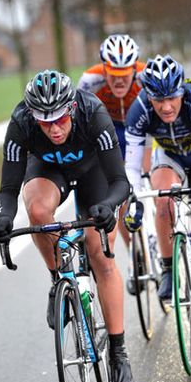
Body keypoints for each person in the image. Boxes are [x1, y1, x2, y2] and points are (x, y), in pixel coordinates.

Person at [0, 69, 134, 382]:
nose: (53, 128)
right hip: (49, 171)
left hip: (94, 171)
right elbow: (9, 189)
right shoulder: (21, 123)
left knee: (101, 256)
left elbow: (121, 183)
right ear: (32, 116)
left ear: (71, 109)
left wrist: (109, 206)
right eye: (44, 121)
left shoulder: (93, 113)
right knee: (37, 212)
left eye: (59, 119)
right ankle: (58, 279)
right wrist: (4, 218)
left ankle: (119, 353)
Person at [124, 54, 191, 313]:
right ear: (148, 96)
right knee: (162, 202)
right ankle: (168, 268)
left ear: (182, 91)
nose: (166, 107)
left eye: (172, 97)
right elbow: (131, 165)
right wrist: (134, 200)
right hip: (169, 156)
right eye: (158, 100)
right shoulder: (139, 110)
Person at [77, 34, 151, 253]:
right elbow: (79, 120)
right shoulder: (90, 80)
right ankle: (134, 252)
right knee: (118, 187)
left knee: (147, 178)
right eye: (113, 74)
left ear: (134, 70)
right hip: (108, 130)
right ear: (104, 69)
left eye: (125, 74)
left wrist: (145, 170)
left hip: (139, 128)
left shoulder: (146, 76)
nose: (119, 80)